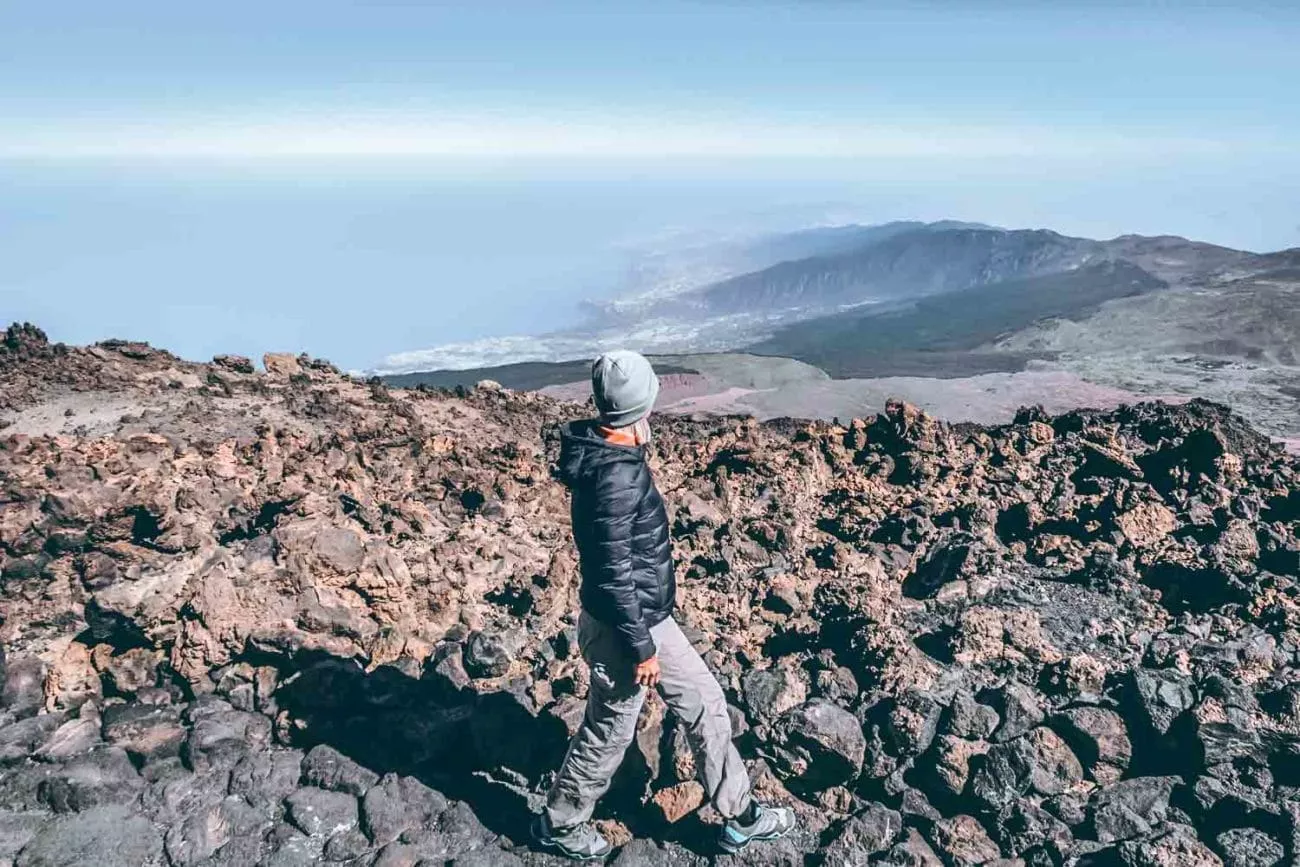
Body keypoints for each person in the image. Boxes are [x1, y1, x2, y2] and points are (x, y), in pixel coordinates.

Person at [533, 350, 796, 860]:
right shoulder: (616, 476)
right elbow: (613, 573)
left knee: (703, 703)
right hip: (627, 629)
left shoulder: (606, 455)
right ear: (640, 406)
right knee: (612, 727)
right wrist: (642, 649)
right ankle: (560, 825)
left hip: (632, 620)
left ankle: (740, 816)